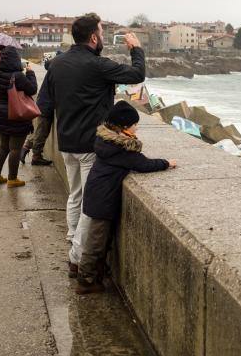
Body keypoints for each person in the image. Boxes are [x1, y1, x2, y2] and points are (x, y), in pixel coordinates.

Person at [45, 13, 144, 246]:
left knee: (75, 195)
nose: (102, 37)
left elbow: (47, 101)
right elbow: (137, 74)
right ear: (92, 37)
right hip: (90, 144)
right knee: (89, 202)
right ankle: (78, 255)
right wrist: (136, 49)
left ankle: (71, 237)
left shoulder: (57, 64)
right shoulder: (98, 65)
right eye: (100, 32)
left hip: (66, 142)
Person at [74, 101, 175, 294]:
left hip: (98, 194)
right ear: (124, 127)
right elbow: (142, 164)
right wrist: (166, 163)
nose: (137, 127)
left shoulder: (106, 142)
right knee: (96, 241)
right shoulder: (119, 149)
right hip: (102, 200)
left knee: (100, 239)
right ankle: (85, 281)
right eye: (134, 124)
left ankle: (96, 273)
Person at [0, 46, 37, 188]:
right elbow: (32, 89)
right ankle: (12, 179)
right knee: (16, 148)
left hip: (2, 113)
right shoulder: (18, 76)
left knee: (4, 147)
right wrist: (30, 73)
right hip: (16, 114)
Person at [19, 75, 54, 166]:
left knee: (40, 130)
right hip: (46, 105)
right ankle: (36, 156)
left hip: (43, 103)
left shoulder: (53, 70)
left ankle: (25, 148)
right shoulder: (57, 71)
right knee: (42, 132)